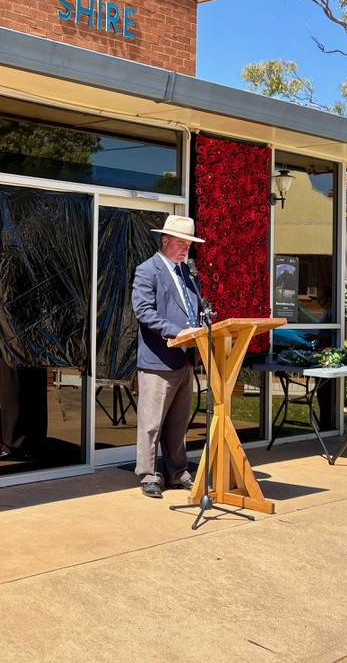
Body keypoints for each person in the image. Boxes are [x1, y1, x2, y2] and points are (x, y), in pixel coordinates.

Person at [130, 214, 205, 499]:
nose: (186, 248)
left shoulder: (187, 273)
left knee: (178, 422)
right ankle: (148, 474)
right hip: (158, 358)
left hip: (185, 359)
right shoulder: (147, 270)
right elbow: (144, 312)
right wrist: (177, 332)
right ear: (165, 241)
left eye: (189, 244)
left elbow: (194, 310)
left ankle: (176, 471)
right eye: (181, 243)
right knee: (151, 423)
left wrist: (203, 329)